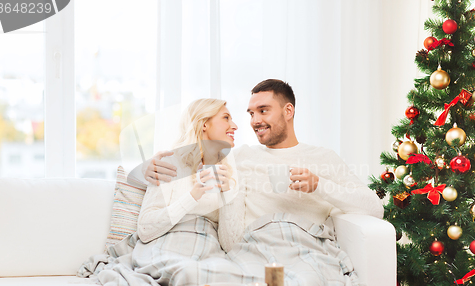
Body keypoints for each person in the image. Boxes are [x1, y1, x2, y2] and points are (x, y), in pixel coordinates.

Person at [144, 79, 384, 252]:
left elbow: (374, 209)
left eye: (263, 111)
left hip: (307, 249)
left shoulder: (323, 158)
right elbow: (195, 160)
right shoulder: (239, 158)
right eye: (250, 113)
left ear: (288, 111)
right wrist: (151, 167)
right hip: (255, 251)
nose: (254, 121)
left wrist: (319, 185)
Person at [137, 98, 238, 246]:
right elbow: (145, 231)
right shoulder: (169, 164)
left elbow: (231, 246)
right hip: (167, 246)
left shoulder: (228, 171)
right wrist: (192, 196)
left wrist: (226, 193)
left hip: (207, 251)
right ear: (204, 124)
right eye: (226, 118)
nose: (234, 126)